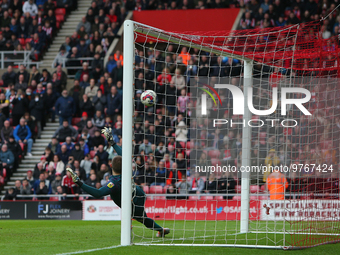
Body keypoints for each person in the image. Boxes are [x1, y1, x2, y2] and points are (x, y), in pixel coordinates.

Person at [67, 127, 170, 237]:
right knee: (142, 218)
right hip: (139, 194)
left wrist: (79, 182)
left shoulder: (113, 183)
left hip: (132, 202)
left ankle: (131, 226)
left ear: (110, 165)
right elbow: (125, 157)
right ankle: (160, 230)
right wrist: (113, 143)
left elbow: (98, 193)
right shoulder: (127, 169)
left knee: (140, 218)